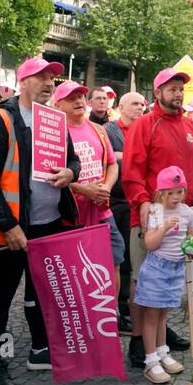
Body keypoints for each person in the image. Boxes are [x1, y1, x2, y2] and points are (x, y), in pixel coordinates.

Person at [0, 57, 80, 385]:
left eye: (52, 78)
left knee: (43, 292)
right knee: (0, 298)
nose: (49, 83)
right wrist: (7, 225)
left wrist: (71, 173)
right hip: (13, 230)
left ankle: (41, 348)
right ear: (23, 82)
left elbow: (73, 160)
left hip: (48, 224)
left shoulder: (56, 121)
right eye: (41, 77)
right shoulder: (1, 121)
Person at [121, 68, 193, 369]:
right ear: (157, 92)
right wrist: (142, 202)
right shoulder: (145, 125)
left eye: (181, 88)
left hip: (181, 212)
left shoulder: (189, 124)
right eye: (171, 88)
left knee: (170, 274)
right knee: (142, 278)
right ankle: (137, 338)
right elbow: (132, 170)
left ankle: (160, 335)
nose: (178, 93)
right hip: (152, 211)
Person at [53, 80, 125, 293]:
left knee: (114, 262)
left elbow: (112, 164)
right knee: (76, 270)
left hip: (102, 211)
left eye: (81, 96)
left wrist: (106, 188)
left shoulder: (98, 130)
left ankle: (111, 316)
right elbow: (49, 175)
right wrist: (83, 189)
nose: (78, 101)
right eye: (71, 98)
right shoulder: (54, 133)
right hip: (71, 215)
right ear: (57, 105)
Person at [134, 166, 193, 384]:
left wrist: (191, 248)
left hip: (175, 268)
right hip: (157, 268)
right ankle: (150, 361)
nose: (177, 197)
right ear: (161, 193)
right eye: (172, 193)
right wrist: (164, 228)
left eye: (181, 191)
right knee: (151, 316)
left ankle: (162, 352)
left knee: (163, 314)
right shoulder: (156, 212)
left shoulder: (187, 212)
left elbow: (190, 236)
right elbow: (149, 244)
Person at [105, 90, 146, 330]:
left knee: (134, 257)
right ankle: (120, 308)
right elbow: (109, 158)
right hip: (116, 202)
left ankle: (132, 307)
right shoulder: (110, 130)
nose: (140, 107)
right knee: (119, 257)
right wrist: (129, 156)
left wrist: (124, 157)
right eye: (134, 104)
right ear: (121, 107)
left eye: (142, 104)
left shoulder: (145, 129)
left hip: (137, 202)